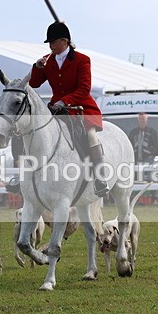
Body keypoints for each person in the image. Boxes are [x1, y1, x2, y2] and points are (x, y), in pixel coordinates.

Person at [27, 21, 108, 197]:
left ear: (64, 41)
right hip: (57, 110)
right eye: (49, 43)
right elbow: (34, 83)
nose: (51, 46)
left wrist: (64, 101)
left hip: (81, 107)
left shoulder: (82, 60)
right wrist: (37, 67)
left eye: (54, 42)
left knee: (91, 137)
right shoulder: (48, 60)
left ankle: (101, 177)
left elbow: (84, 89)